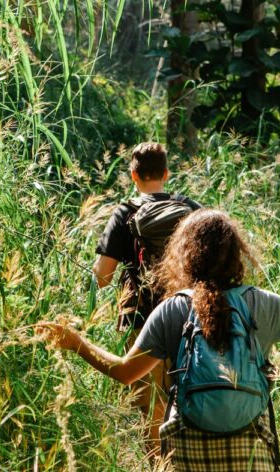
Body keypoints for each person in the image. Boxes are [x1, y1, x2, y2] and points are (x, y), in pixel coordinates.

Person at [41, 209, 280, 470]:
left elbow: (125, 373)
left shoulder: (173, 310)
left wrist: (76, 343)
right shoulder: (266, 305)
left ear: (183, 255)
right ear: (239, 254)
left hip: (188, 445)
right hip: (250, 447)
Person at [91, 142, 200, 455]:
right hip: (188, 316)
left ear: (133, 175)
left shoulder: (124, 213)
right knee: (189, 399)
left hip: (140, 318)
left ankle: (160, 466)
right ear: (166, 173)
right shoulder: (191, 210)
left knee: (152, 407)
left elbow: (103, 277)